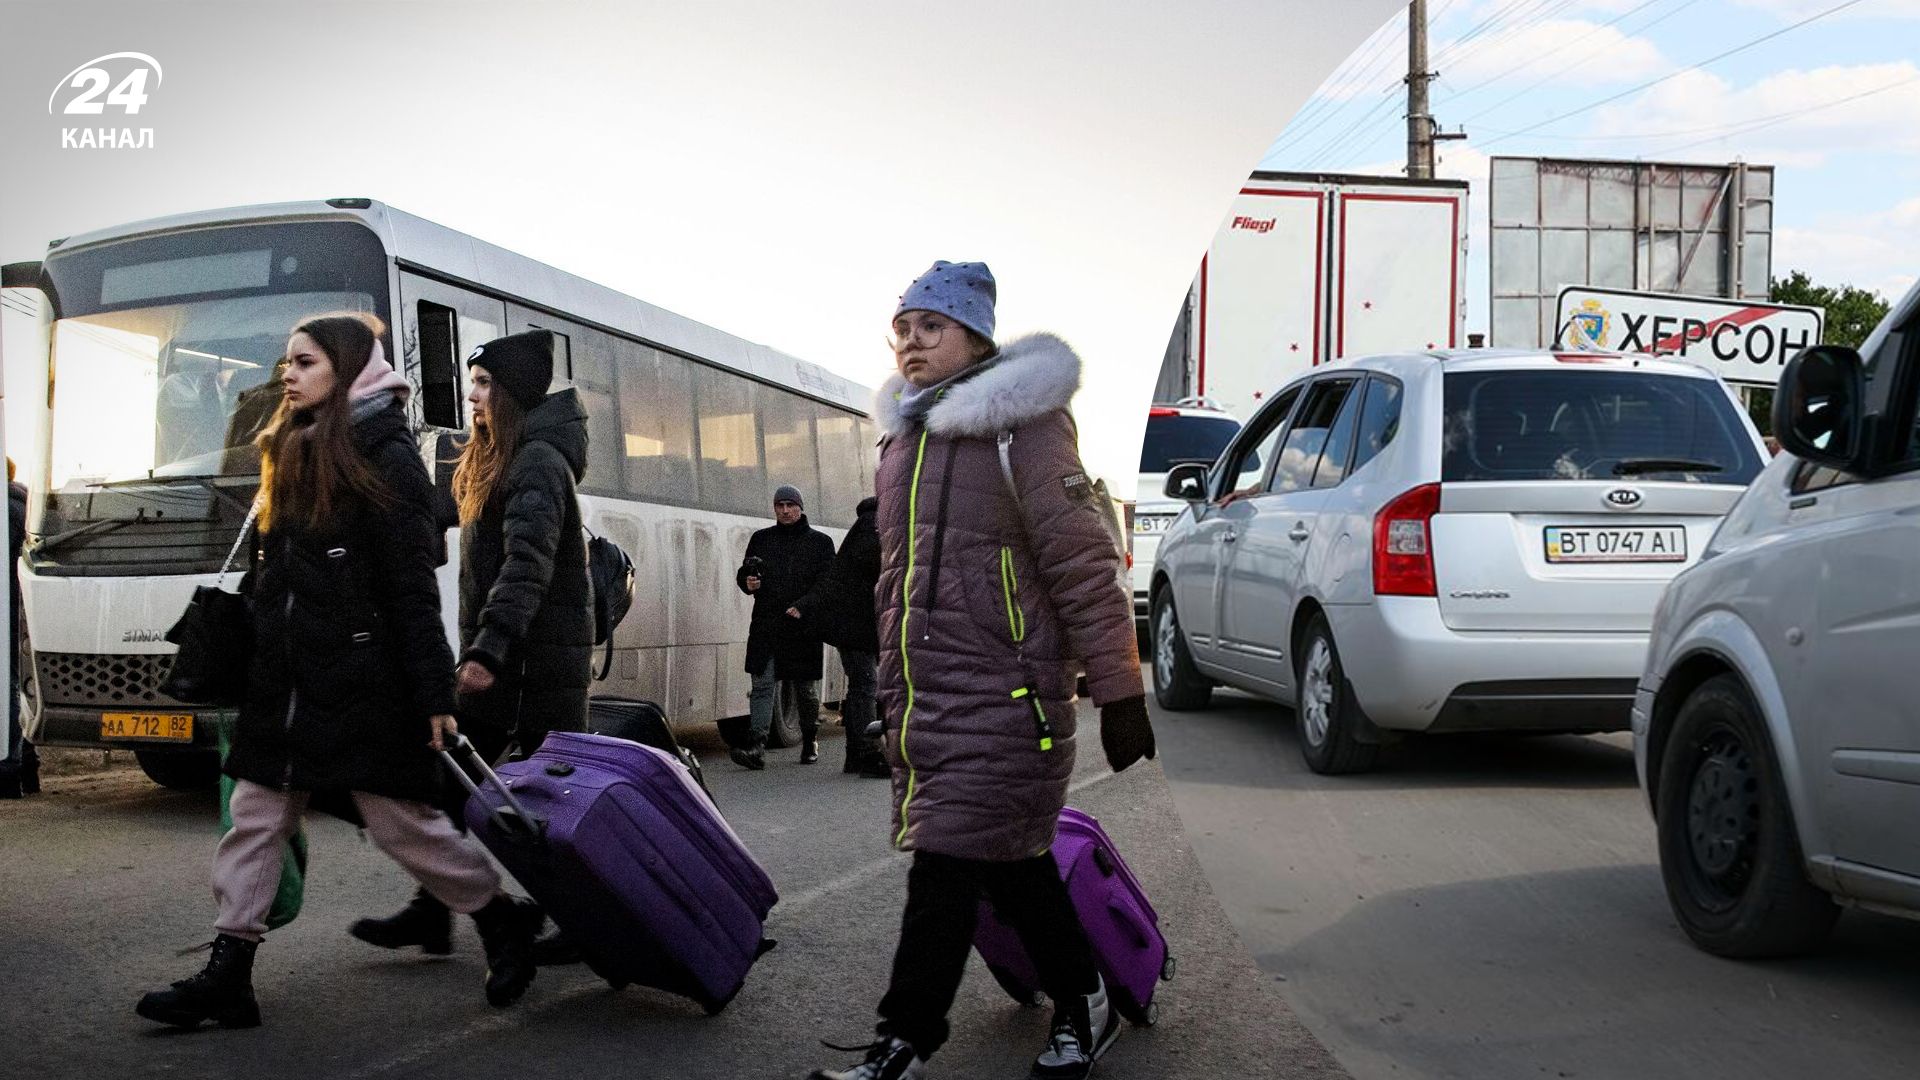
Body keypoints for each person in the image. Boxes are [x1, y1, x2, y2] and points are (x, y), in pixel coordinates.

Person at [136, 313, 544, 1030]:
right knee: (255, 819)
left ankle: (497, 915)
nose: (287, 374)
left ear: (349, 369)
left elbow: (411, 592)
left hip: (364, 685)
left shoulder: (387, 457)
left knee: (401, 826)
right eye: (287, 362)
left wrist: (431, 693)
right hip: (285, 684)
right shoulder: (289, 446)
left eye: (305, 362)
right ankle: (230, 971)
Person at [811, 263, 1156, 1080]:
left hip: (1011, 696)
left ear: (975, 337)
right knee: (1014, 870)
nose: (910, 343)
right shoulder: (901, 444)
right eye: (901, 328)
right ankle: (1085, 999)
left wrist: (1120, 689)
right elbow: (900, 580)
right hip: (930, 698)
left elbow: (1083, 563)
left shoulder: (1026, 428)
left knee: (946, 869)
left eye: (930, 326)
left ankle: (906, 1039)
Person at [349, 329, 592, 962]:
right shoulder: (496, 458)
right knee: (450, 787)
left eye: (483, 384)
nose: (472, 396)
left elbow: (527, 564)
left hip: (536, 659)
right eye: (473, 382)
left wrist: (485, 652)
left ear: (511, 393)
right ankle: (435, 908)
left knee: (550, 800)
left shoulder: (539, 462)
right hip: (507, 655)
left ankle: (584, 918)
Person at [732, 484, 835, 769]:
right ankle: (756, 746)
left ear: (801, 508)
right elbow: (747, 574)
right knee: (762, 685)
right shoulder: (761, 539)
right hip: (767, 624)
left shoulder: (820, 543)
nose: (786, 510)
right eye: (780, 505)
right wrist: (747, 582)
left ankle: (810, 738)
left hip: (802, 627)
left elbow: (828, 584)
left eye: (791, 505)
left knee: (805, 690)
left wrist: (803, 605)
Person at [791, 494, 886, 777]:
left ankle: (857, 756)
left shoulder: (867, 525)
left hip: (854, 626)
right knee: (865, 688)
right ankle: (865, 754)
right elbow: (878, 567)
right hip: (856, 627)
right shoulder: (873, 526)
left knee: (862, 688)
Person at [1, 458, 38, 798]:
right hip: (19, 607)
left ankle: (9, 768)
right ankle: (27, 766)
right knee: (15, 687)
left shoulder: (6, 509)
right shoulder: (23, 504)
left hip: (7, 608)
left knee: (7, 688)